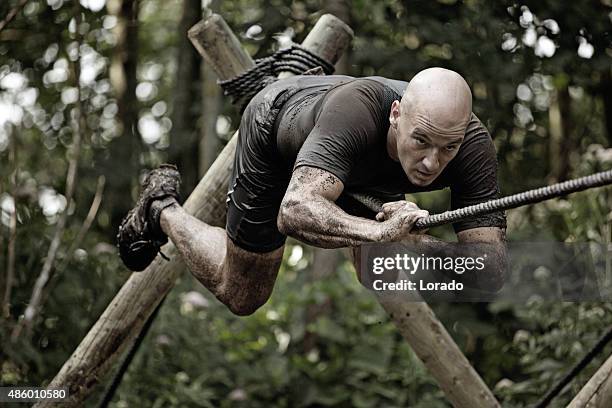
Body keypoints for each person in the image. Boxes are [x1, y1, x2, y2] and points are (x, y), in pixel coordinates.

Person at [117, 67, 507, 315]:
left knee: (378, 273)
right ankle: (161, 208)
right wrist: (378, 232)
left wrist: (418, 247)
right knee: (242, 295)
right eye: (421, 141)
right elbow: (295, 210)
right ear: (396, 115)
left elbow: (490, 271)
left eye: (447, 148)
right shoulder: (358, 114)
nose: (432, 162)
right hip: (277, 130)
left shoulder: (472, 149)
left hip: (352, 164)